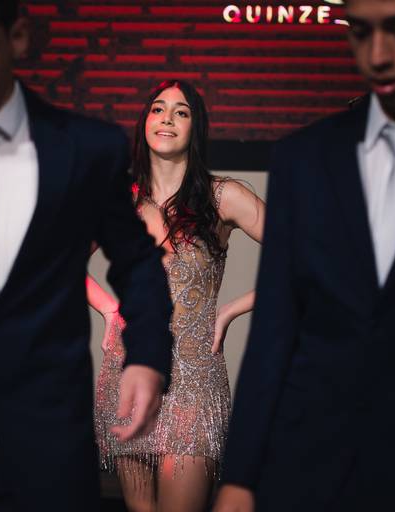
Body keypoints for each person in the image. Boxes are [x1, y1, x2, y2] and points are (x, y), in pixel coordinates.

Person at [0, 1, 174, 511]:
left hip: (50, 452)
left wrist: (147, 358)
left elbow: (138, 263)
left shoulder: (88, 148)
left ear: (18, 37)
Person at [214, 0, 395, 511]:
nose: (378, 55)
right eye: (361, 31)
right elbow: (276, 328)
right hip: (310, 460)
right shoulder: (303, 157)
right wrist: (240, 476)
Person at [92, 80, 265, 512]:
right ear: (144, 122)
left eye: (181, 111)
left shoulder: (223, 196)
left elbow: (305, 258)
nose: (166, 118)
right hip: (128, 373)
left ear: (195, 127)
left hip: (195, 384)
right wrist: (108, 309)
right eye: (157, 108)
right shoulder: (119, 200)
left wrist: (231, 310)